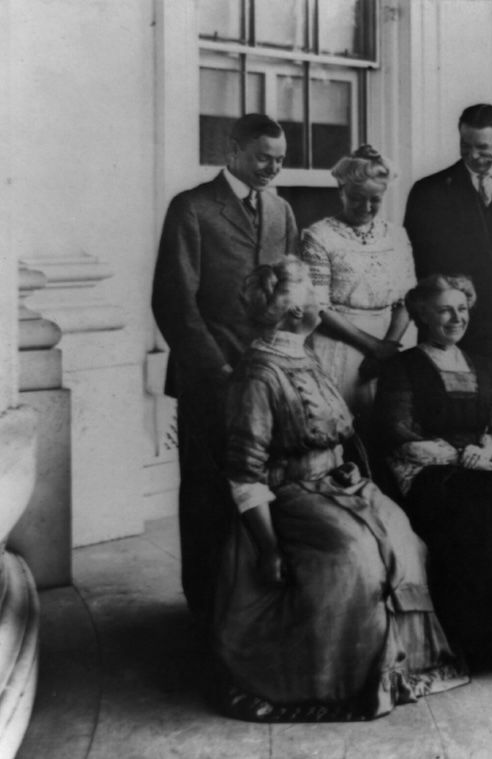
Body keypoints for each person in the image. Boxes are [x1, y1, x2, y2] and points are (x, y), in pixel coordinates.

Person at [215, 259, 467, 721]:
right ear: (293, 313)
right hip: (288, 495)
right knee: (354, 555)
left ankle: (402, 668)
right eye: (312, 290)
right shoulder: (258, 373)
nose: (320, 299)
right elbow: (244, 473)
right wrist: (268, 548)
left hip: (336, 483)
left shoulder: (301, 352)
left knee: (401, 536)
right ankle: (340, 683)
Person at [374, 274, 492, 672]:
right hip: (433, 471)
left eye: (461, 309)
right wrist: (460, 455)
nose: (456, 318)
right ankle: (485, 638)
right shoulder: (403, 367)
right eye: (444, 310)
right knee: (489, 513)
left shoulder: (485, 367)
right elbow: (398, 430)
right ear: (423, 314)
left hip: (482, 463)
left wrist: (490, 448)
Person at [152, 113, 299, 621]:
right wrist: (219, 371)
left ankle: (248, 613)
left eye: (279, 160)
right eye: (263, 157)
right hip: (208, 378)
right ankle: (203, 609)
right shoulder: (192, 208)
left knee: (261, 489)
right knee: (206, 493)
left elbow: (290, 294)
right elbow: (174, 303)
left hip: (265, 377)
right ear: (232, 150)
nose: (272, 168)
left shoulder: (282, 211)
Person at [404, 103, 492, 371]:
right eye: (465, 145)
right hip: (451, 328)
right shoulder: (428, 191)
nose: (472, 155)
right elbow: (417, 265)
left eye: (483, 148)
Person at [300, 144, 415, 419]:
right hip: (338, 343)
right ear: (341, 191)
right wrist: (374, 347)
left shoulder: (396, 236)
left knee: (387, 428)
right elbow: (319, 305)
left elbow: (408, 299)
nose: (365, 207)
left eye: (374, 200)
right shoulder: (319, 236)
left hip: (390, 344)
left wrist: (388, 346)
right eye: (356, 198)